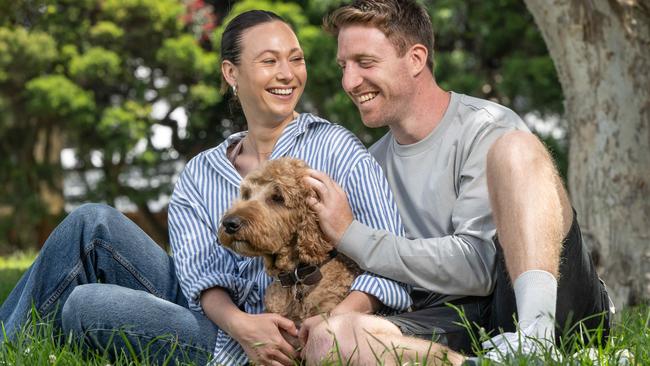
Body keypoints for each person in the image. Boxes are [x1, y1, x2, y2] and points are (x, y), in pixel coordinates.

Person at [0, 10, 411, 366]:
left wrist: (332, 323)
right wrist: (243, 326)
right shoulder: (202, 170)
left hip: (268, 337)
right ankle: (5, 348)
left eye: (296, 59)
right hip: (218, 319)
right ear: (232, 73)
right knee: (91, 221)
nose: (287, 74)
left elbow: (392, 266)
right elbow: (198, 274)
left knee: (86, 305)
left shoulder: (334, 147)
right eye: (269, 61)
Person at [300, 1, 612, 365]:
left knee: (516, 148)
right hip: (454, 317)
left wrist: (351, 234)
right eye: (344, 67)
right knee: (329, 340)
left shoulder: (486, 126)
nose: (349, 82)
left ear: (416, 59)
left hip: (550, 304)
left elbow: (476, 270)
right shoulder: (368, 164)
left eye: (365, 63)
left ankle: (536, 342)